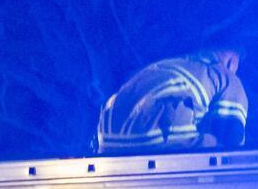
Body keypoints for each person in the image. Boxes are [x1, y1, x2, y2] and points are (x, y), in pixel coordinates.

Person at [95, 49, 248, 154]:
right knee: (216, 148)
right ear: (231, 60)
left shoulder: (164, 67)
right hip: (158, 140)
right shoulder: (224, 76)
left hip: (108, 143)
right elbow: (231, 137)